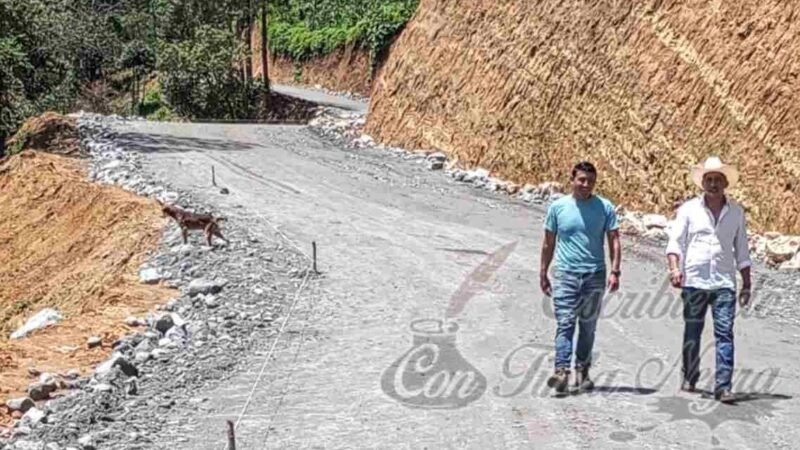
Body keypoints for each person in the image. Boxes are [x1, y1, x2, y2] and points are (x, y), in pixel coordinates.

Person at [666, 156, 752, 404]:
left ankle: (723, 386)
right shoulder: (688, 210)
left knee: (725, 333)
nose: (713, 184)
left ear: (725, 183)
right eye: (709, 179)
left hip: (724, 282)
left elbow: (742, 251)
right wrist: (674, 269)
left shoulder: (736, 213)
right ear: (702, 183)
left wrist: (746, 284)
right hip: (694, 281)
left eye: (718, 180)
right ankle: (690, 376)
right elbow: (675, 243)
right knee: (693, 332)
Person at [540, 161, 621, 395]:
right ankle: (561, 370)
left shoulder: (605, 208)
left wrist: (615, 271)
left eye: (590, 181)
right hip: (565, 273)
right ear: (572, 179)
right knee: (565, 322)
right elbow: (548, 242)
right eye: (581, 180)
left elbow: (614, 240)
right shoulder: (558, 208)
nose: (586, 185)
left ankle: (582, 371)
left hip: (595, 274)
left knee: (587, 326)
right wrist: (543, 271)